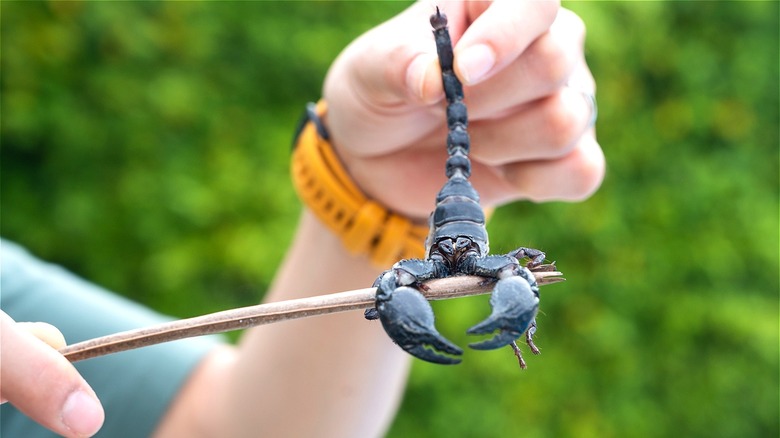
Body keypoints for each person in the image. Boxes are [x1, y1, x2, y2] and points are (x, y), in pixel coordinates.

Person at [0, 1, 604, 437]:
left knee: (492, 273)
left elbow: (238, 431)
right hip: (454, 228)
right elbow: (394, 283)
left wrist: (369, 181)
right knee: (399, 282)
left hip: (455, 212)